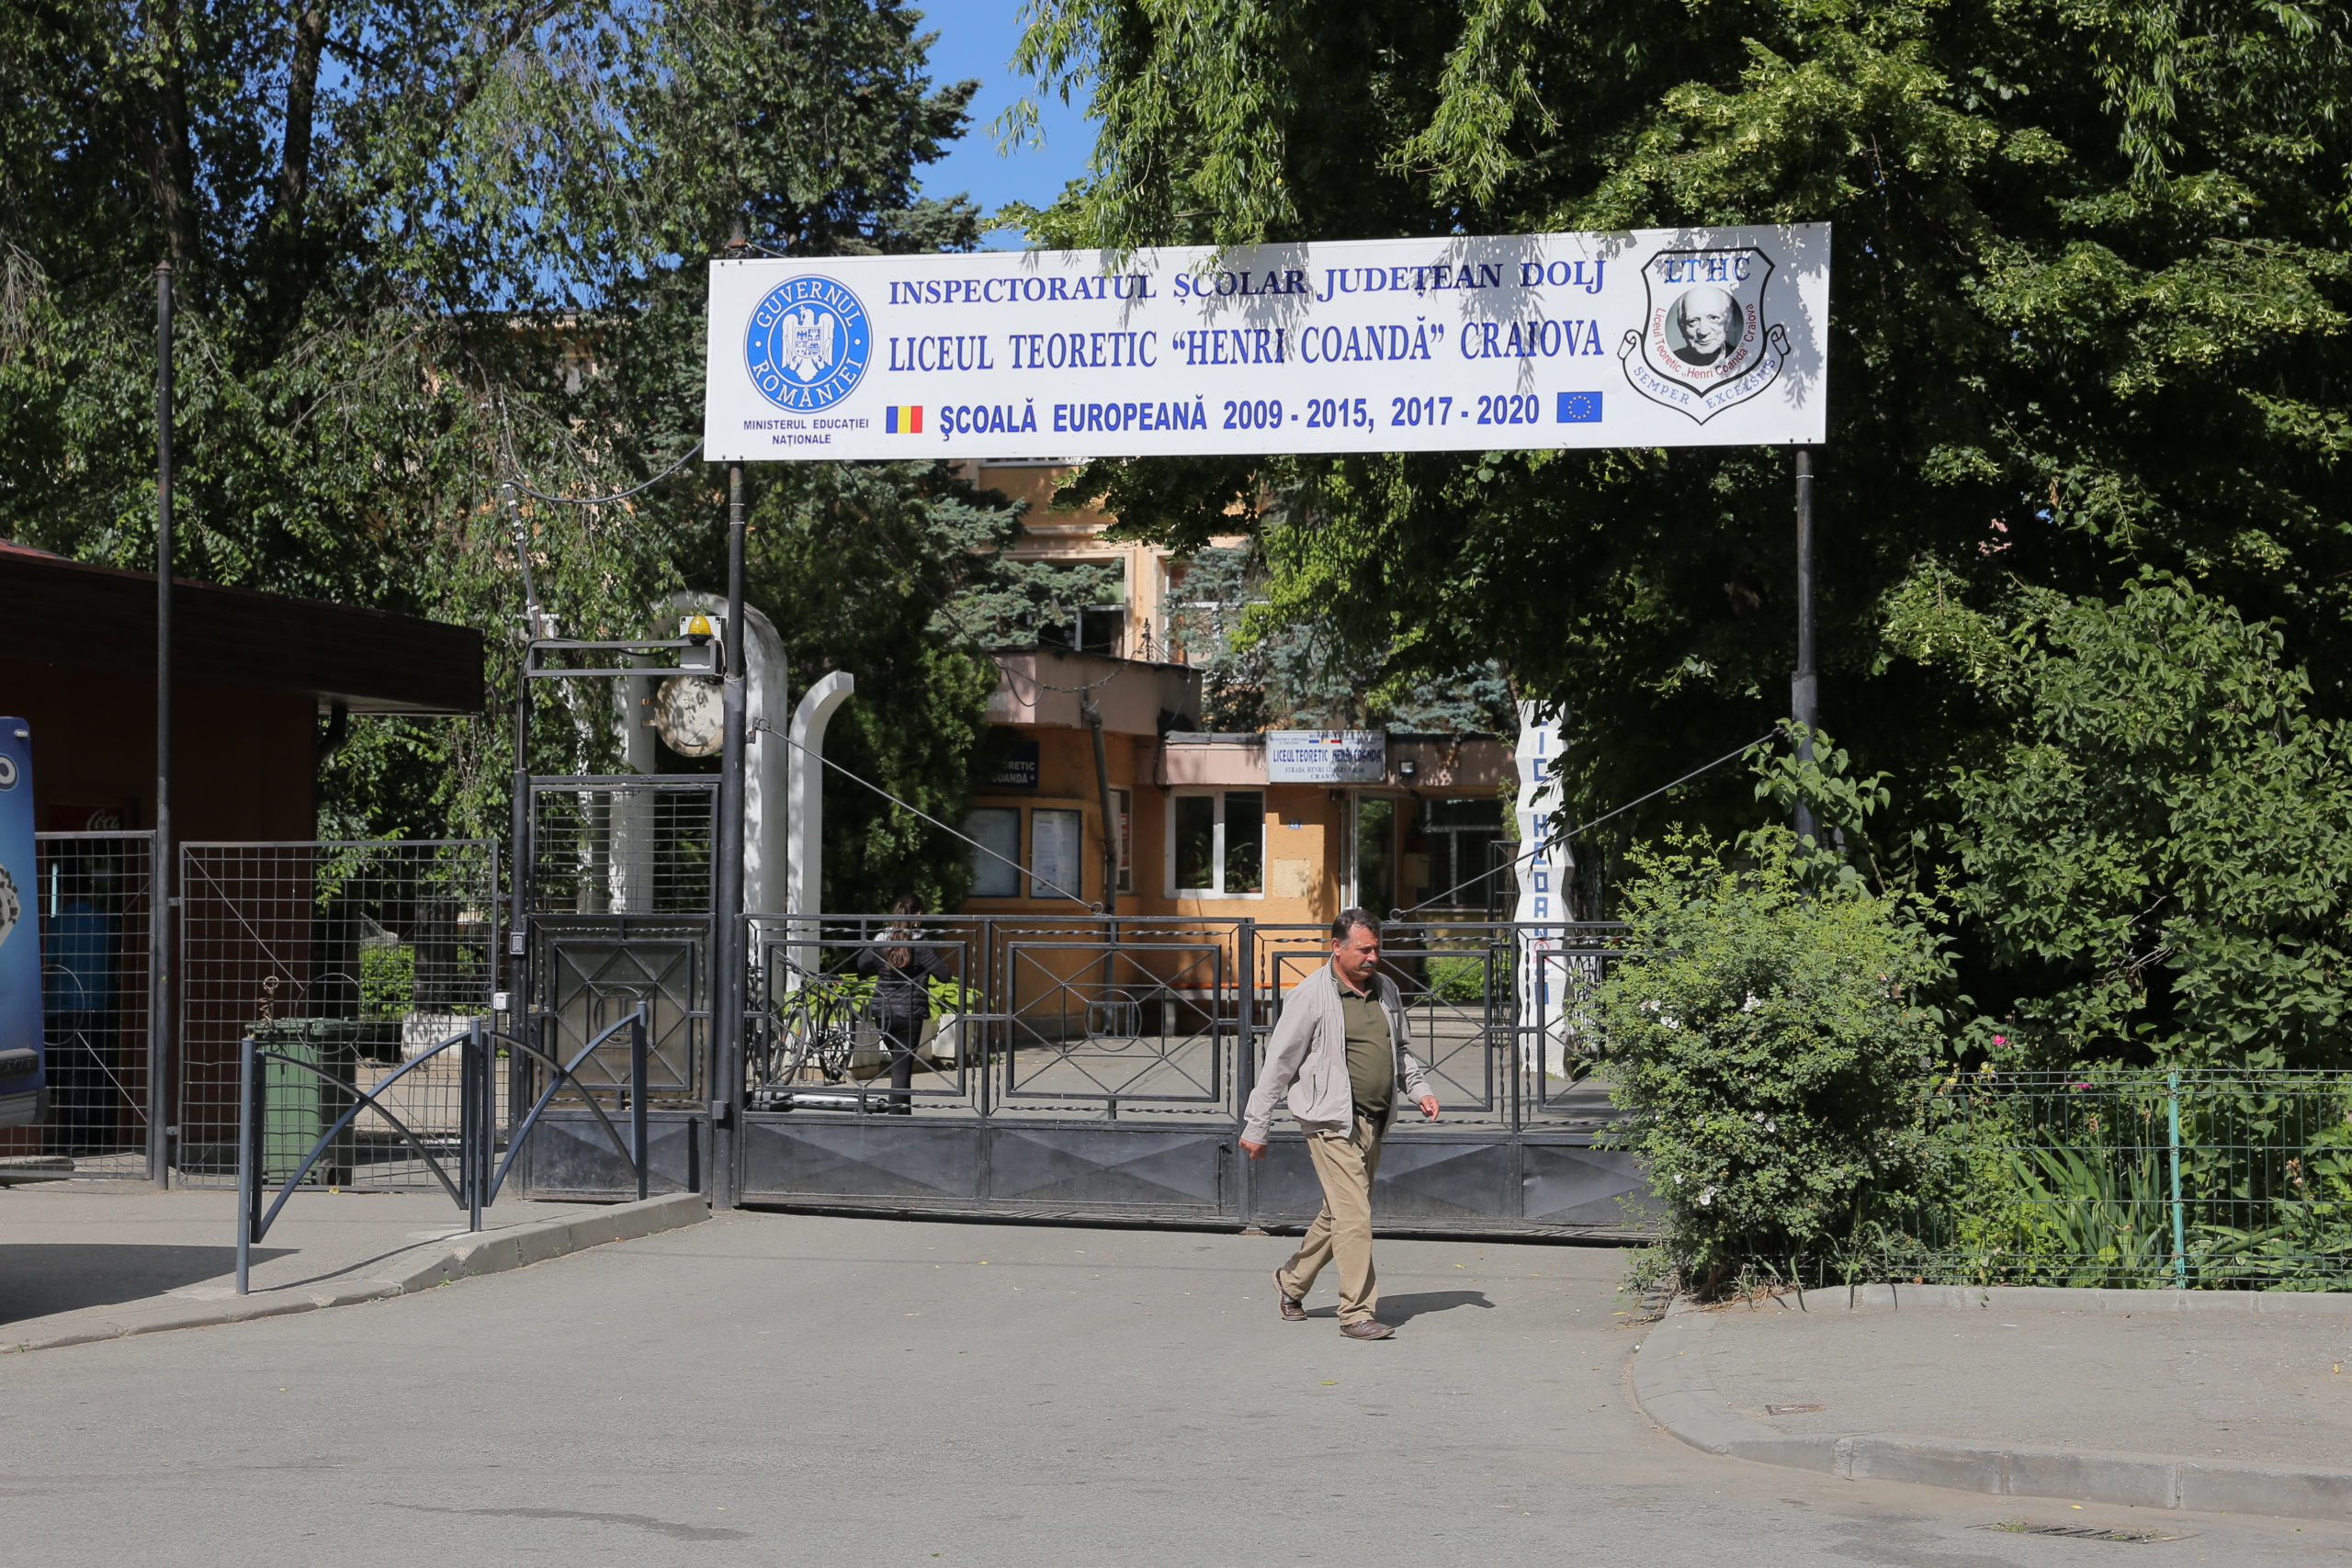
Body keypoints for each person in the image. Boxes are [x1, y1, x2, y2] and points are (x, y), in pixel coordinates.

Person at [1241, 908, 1440, 1339]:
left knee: (1339, 1213)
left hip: (1373, 1119)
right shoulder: (1311, 995)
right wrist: (1257, 1125)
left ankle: (1291, 1282)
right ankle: (1356, 1313)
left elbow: (1399, 1049)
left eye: (1376, 949)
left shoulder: (1385, 989)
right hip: (1329, 1120)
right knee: (1355, 1216)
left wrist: (1419, 1089)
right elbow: (1278, 1064)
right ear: (1336, 947)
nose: (1373, 957)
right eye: (1364, 949)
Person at [854, 896, 946, 1114]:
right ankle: (896, 1120)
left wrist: (881, 962)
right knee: (901, 1070)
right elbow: (944, 975)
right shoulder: (920, 944)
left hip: (883, 1012)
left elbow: (862, 963)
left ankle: (904, 1117)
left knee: (901, 1067)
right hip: (909, 1014)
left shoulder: (881, 939)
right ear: (918, 915)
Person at [1672, 285, 1736, 367]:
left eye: (1713, 318)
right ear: (1682, 326)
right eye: (1693, 321)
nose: (1703, 332)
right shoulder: (1669, 363)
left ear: (1728, 321)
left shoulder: (1743, 358)